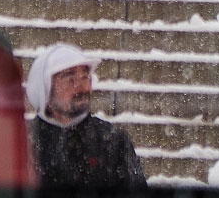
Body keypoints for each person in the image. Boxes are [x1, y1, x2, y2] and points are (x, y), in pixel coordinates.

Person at [25, 43, 146, 191]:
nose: (82, 87)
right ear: (46, 89)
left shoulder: (112, 141)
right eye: (70, 80)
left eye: (85, 77)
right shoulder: (21, 141)